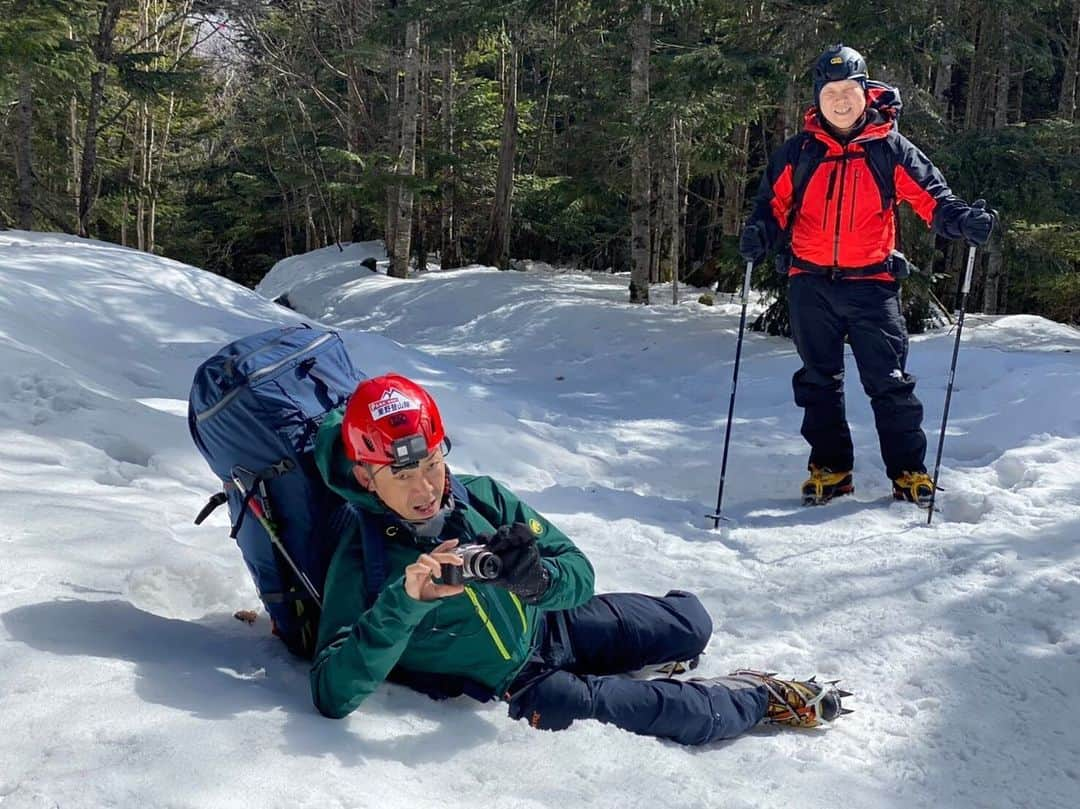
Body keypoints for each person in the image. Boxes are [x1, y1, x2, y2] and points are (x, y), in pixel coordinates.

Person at [309, 373, 850, 744]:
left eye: (430, 463)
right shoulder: (364, 560)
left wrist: (539, 580)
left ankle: (645, 655)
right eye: (400, 476)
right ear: (364, 475)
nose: (425, 488)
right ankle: (756, 695)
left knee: (691, 622)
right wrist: (404, 604)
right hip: (520, 686)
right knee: (688, 715)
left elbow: (578, 570)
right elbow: (332, 692)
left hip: (551, 625)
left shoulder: (481, 496)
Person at [738, 44, 995, 507]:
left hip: (872, 284)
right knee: (818, 380)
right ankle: (831, 467)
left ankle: (908, 471)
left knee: (890, 381)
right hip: (810, 283)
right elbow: (771, 209)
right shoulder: (799, 153)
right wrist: (759, 234)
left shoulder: (890, 149)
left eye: (849, 90)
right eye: (831, 91)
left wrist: (962, 222)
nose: (840, 100)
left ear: (865, 92)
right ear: (817, 98)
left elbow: (933, 197)